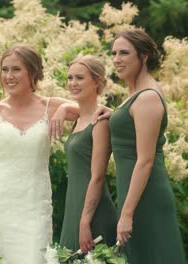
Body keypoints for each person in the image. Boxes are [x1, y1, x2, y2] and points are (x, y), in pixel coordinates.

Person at [0, 45, 76, 264]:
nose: (8, 76)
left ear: (33, 72)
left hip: (35, 206)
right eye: (4, 69)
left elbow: (99, 110)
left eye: (16, 69)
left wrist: (65, 108)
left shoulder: (51, 106)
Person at [109, 29, 186, 263]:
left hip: (146, 196)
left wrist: (127, 213)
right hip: (133, 193)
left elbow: (145, 159)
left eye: (124, 53)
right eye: (113, 53)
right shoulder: (137, 93)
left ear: (143, 56)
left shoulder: (147, 97)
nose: (116, 59)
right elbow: (131, 124)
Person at [58, 55, 117, 253]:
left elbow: (97, 176)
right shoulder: (79, 118)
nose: (73, 83)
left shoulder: (100, 122)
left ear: (96, 81)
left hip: (92, 212)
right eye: (70, 78)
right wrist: (63, 107)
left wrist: (85, 222)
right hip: (74, 204)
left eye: (80, 78)